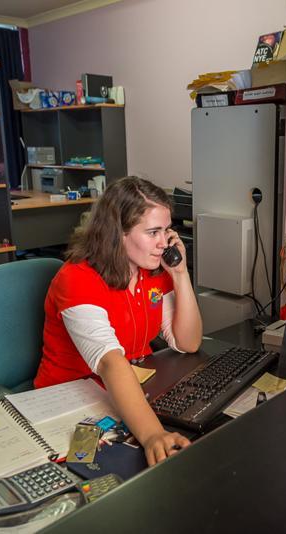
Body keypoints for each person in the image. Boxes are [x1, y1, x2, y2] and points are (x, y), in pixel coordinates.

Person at [34, 176, 203, 466]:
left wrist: (180, 274)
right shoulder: (77, 279)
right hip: (73, 403)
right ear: (118, 234)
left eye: (166, 231)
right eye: (152, 232)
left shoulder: (151, 271)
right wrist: (152, 435)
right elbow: (111, 362)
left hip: (129, 392)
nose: (164, 243)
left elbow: (188, 342)